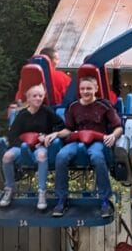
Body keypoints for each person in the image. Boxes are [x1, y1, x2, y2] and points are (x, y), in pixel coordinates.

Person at [52, 77, 123, 218]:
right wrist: (56, 134)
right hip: (77, 140)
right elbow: (68, 129)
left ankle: (104, 200)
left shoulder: (104, 106)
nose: (85, 91)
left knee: (97, 157)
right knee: (61, 156)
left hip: (97, 140)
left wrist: (113, 136)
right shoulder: (73, 107)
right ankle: (62, 199)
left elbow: (118, 127)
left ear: (96, 89)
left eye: (89, 88)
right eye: (83, 89)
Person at [0, 84, 63, 211]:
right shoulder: (22, 115)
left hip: (41, 146)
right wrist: (25, 146)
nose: (38, 98)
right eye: (35, 96)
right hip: (24, 146)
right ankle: (9, 188)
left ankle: (42, 192)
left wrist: (48, 136)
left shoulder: (47, 112)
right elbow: (12, 135)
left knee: (42, 155)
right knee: (7, 156)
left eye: (40, 96)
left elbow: (60, 125)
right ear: (28, 98)